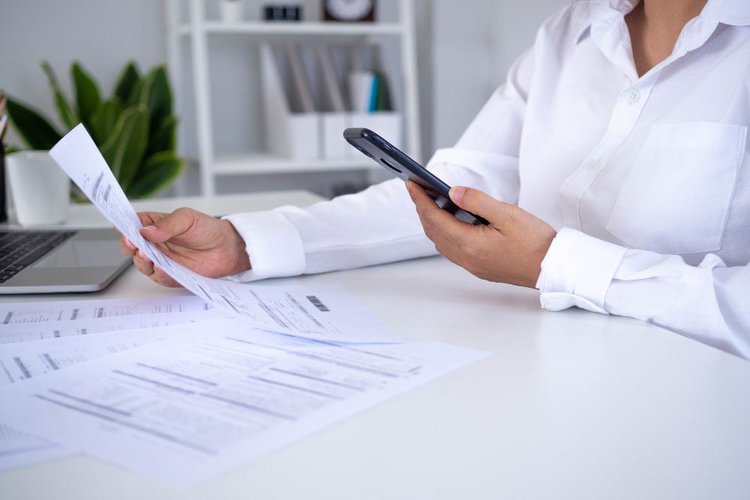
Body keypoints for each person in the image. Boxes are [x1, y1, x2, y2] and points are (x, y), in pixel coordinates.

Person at [122, 0, 750, 358]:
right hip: (529, 363)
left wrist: (555, 264)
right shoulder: (567, 33)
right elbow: (454, 191)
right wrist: (244, 242)